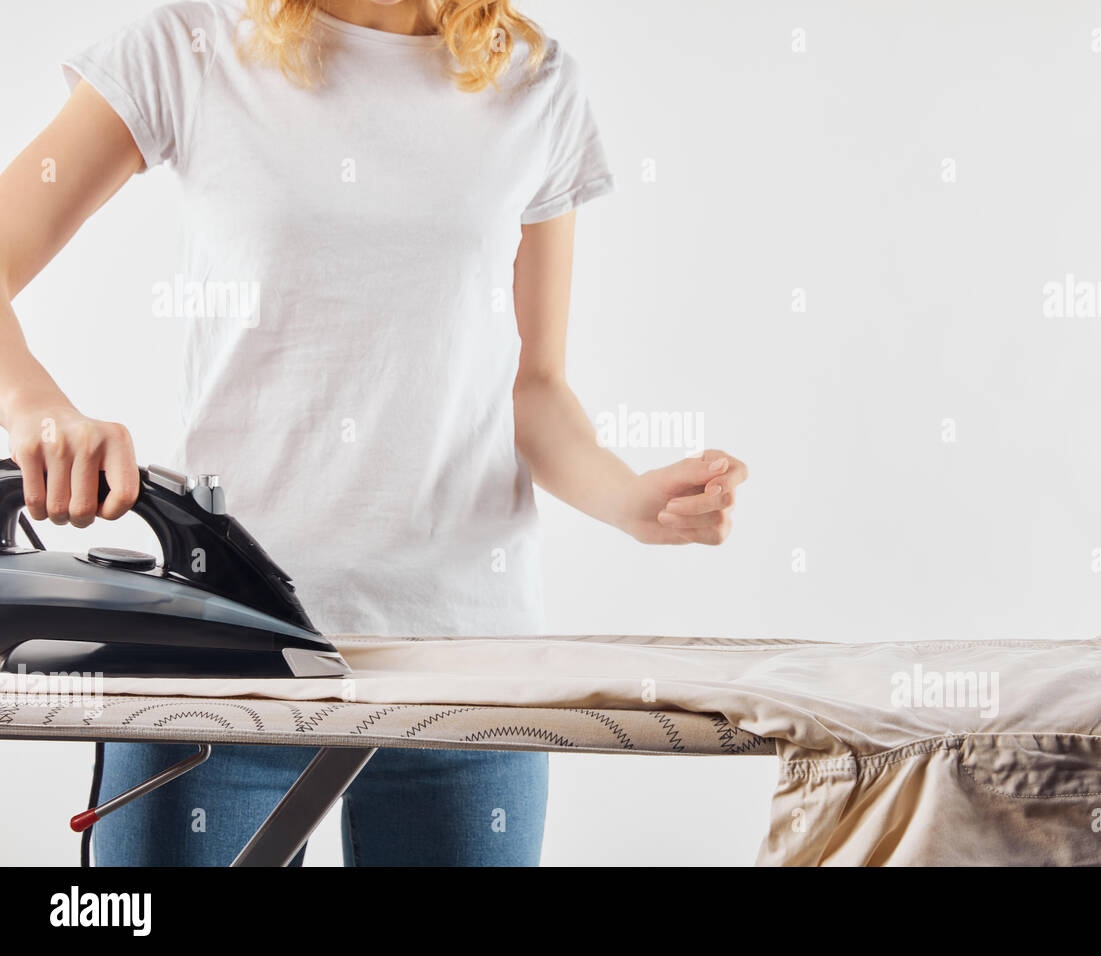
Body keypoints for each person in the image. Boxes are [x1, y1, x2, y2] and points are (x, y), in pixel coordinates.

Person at [0, 0, 748, 866]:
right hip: (226, 657)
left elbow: (535, 389)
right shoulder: (192, 46)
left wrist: (629, 500)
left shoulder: (537, 83)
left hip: (466, 668)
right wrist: (37, 407)